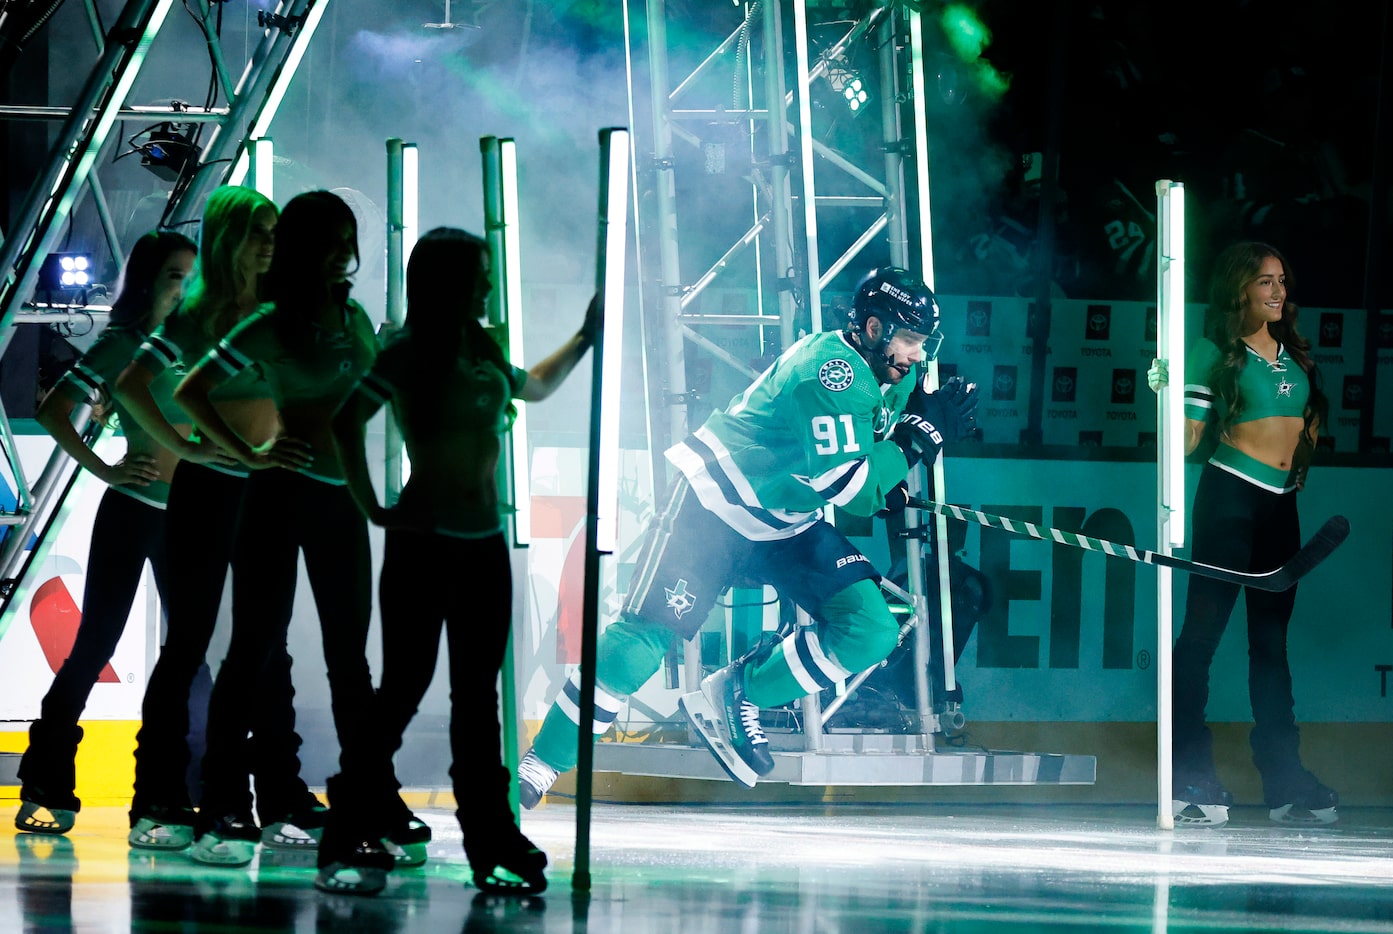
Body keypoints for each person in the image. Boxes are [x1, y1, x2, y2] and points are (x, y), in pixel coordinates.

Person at [516, 267, 978, 803]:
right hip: (716, 506)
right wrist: (916, 441)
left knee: (870, 629)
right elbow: (851, 489)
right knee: (641, 643)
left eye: (923, 343)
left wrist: (897, 456)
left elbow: (863, 469)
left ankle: (738, 691)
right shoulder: (831, 373)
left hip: (785, 522)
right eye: (910, 340)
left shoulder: (889, 379)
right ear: (874, 328)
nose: (918, 355)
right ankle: (542, 762)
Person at [318, 227, 596, 896]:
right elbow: (344, 420)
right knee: (403, 690)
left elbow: (529, 388)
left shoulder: (482, 344)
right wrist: (372, 506)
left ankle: (492, 844)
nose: (490, 284)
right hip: (423, 541)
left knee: (477, 704)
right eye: (480, 273)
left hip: (482, 543)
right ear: (450, 281)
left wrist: (585, 339)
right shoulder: (407, 352)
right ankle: (344, 833)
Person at [172, 190, 381, 867]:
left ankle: (363, 805)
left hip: (342, 502)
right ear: (303, 247)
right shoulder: (267, 321)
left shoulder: (355, 319)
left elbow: (374, 397)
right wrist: (246, 453)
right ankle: (223, 807)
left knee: (350, 659)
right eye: (329, 239)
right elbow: (189, 390)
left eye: (347, 237)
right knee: (253, 651)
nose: (342, 251)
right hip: (276, 498)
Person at [117, 186, 320, 853]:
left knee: (269, 649)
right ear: (231, 237)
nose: (270, 242)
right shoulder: (197, 318)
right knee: (190, 645)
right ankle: (161, 798)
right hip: (208, 492)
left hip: (269, 495)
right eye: (259, 230)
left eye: (275, 231)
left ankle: (279, 795)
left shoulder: (280, 311)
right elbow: (131, 386)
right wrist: (191, 447)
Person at [14, 231, 196, 836]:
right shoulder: (124, 345)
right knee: (96, 646)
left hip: (192, 515)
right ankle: (46, 782)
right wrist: (104, 466)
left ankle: (169, 789)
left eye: (191, 276)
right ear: (148, 281)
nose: (186, 288)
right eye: (175, 275)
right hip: (135, 508)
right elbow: (52, 410)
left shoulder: (194, 344)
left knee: (192, 652)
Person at [1148, 241, 1334, 827]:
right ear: (1239, 290)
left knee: (1271, 650)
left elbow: (1306, 429)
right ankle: (1187, 772)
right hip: (1229, 498)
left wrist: (1301, 454)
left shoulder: (1296, 355)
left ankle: (1284, 780)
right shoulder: (1214, 352)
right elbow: (1185, 443)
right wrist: (1167, 392)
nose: (1278, 292)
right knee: (1200, 639)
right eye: (1264, 282)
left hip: (1281, 510)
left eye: (1282, 281)